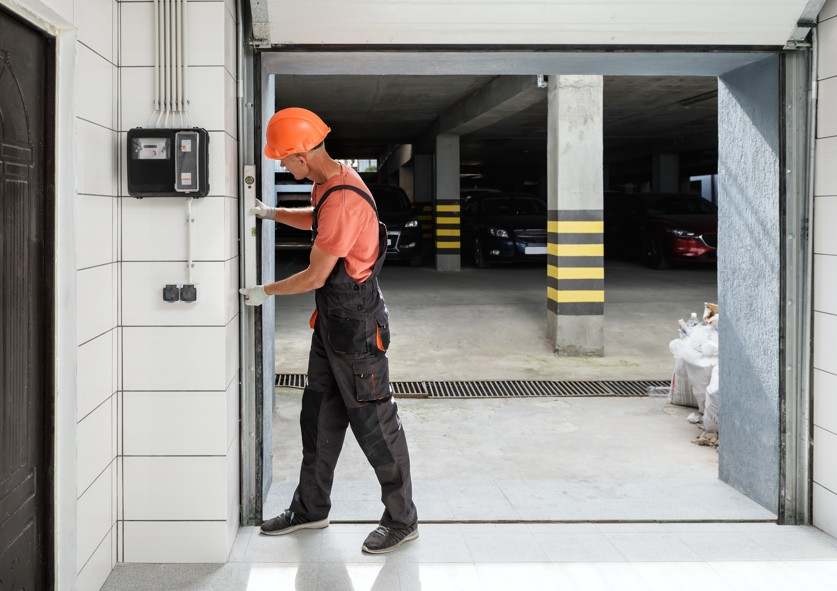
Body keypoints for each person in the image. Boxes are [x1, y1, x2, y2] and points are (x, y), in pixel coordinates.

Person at [239, 107, 418, 554]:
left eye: (284, 159)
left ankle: (401, 519)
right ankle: (310, 508)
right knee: (317, 416)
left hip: (357, 328)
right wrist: (269, 213)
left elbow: (316, 276)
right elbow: (317, 221)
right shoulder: (329, 181)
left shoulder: (340, 198)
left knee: (375, 424)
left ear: (302, 154)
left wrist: (266, 290)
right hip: (333, 327)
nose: (282, 166)